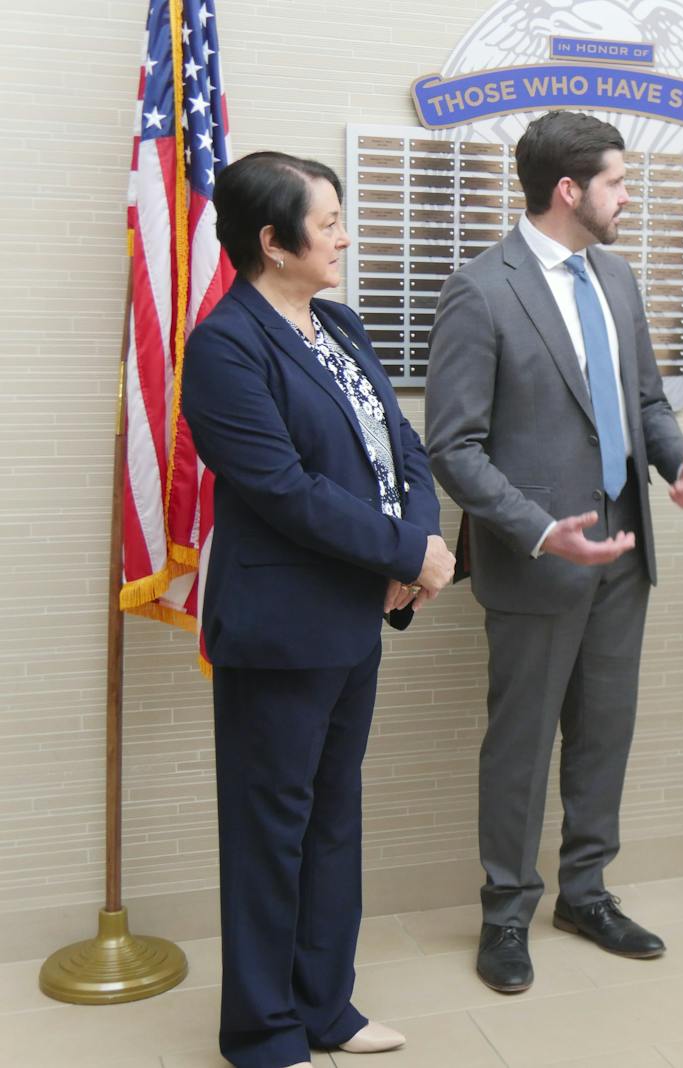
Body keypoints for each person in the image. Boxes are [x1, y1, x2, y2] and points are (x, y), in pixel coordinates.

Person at [423, 111, 683, 994]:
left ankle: (585, 892)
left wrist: (678, 465)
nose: (628, 198)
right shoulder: (482, 289)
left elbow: (648, 402)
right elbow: (453, 446)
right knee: (521, 746)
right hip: (540, 560)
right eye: (619, 183)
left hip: (623, 552)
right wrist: (540, 528)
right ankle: (506, 912)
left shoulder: (617, 279)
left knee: (603, 734)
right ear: (568, 190)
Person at [183, 151, 456, 1068]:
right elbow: (283, 488)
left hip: (353, 615)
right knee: (271, 833)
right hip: (280, 629)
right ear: (273, 240)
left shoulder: (336, 323)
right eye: (328, 220)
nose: (343, 235)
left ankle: (325, 1009)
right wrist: (405, 552)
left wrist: (417, 543)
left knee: (335, 819)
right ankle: (262, 1033)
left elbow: (401, 447)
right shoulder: (223, 345)